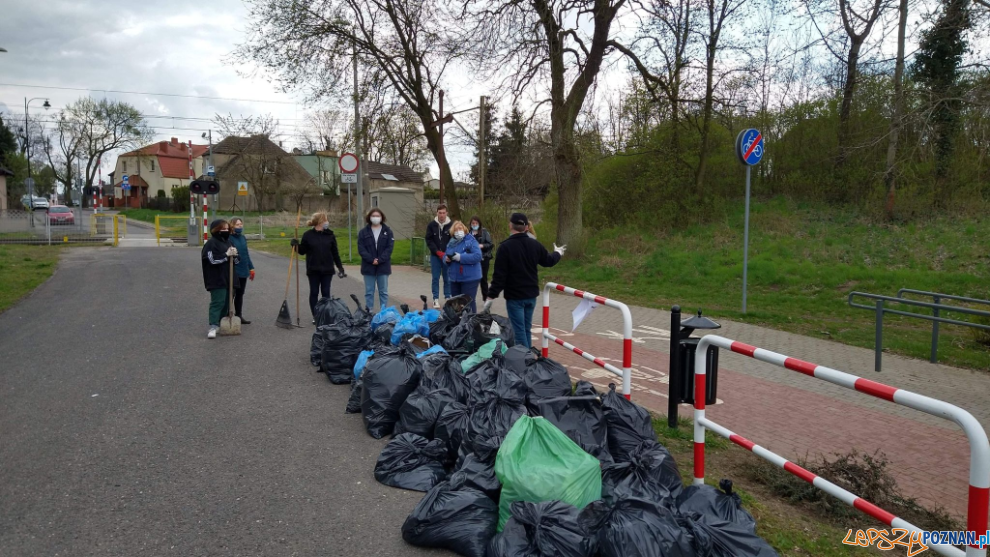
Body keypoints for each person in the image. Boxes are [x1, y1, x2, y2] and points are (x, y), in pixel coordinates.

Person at [487, 213, 566, 348]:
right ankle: (528, 356)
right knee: (526, 329)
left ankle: (525, 360)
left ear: (510, 225)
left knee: (519, 331)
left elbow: (500, 276)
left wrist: (491, 295)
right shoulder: (534, 244)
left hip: (515, 296)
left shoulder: (505, 247)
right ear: (526, 228)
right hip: (531, 295)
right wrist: (557, 253)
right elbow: (548, 261)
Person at [291, 211, 346, 322]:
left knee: (326, 293)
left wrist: (340, 267)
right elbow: (303, 251)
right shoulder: (308, 235)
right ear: (320, 221)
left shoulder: (330, 235)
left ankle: (325, 315)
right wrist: (295, 245)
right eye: (325, 220)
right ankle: (316, 316)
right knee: (314, 292)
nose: (327, 222)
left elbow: (335, 252)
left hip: (327, 269)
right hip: (313, 269)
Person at [201, 219, 238, 339]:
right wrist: (226, 255)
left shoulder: (229, 242)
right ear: (216, 230)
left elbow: (236, 261)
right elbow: (211, 260)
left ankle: (223, 322)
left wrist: (235, 254)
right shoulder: (211, 244)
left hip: (229, 278)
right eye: (223, 229)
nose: (226, 231)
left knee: (227, 302)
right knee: (218, 301)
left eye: (227, 229)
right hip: (216, 279)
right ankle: (213, 325)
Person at [357, 208, 394, 311]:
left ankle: (384, 313)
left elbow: (389, 248)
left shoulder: (388, 231)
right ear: (369, 217)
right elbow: (361, 248)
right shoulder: (363, 232)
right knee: (369, 292)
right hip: (368, 266)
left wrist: (380, 260)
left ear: (382, 217)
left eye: (378, 216)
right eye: (373, 216)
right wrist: (371, 259)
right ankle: (369, 313)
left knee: (383, 292)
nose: (376, 218)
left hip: (383, 266)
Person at [444, 221, 483, 312]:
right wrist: (446, 259)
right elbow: (446, 255)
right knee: (456, 303)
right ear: (452, 232)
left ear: (464, 229)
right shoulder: (451, 243)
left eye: (460, 228)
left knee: (468, 302)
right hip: (455, 277)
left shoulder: (471, 241)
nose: (458, 231)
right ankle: (459, 323)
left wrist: (461, 257)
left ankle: (471, 323)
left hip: (469, 277)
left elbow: (478, 256)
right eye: (456, 229)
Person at [227, 217, 255, 324]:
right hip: (233, 271)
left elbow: (246, 254)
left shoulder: (243, 238)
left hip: (243, 270)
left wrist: (251, 268)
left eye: (241, 224)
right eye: (237, 225)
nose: (240, 226)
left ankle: (239, 315)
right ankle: (227, 314)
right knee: (231, 294)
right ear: (232, 226)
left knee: (240, 294)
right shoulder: (229, 238)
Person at [425, 204, 452, 308]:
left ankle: (447, 297)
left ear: (446, 213)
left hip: (447, 256)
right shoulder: (431, 225)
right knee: (435, 278)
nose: (442, 215)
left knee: (447, 278)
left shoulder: (451, 225)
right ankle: (435, 299)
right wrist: (437, 251)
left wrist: (448, 253)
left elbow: (453, 240)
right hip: (435, 256)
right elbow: (429, 239)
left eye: (443, 213)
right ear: (437, 213)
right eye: (440, 213)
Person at [469, 216, 494, 301]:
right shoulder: (468, 233)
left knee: (483, 280)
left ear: (479, 224)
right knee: (472, 281)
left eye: (476, 223)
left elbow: (490, 244)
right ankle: (471, 300)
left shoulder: (484, 232)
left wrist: (482, 246)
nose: (474, 225)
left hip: (483, 258)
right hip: (472, 259)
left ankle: (485, 300)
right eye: (473, 223)